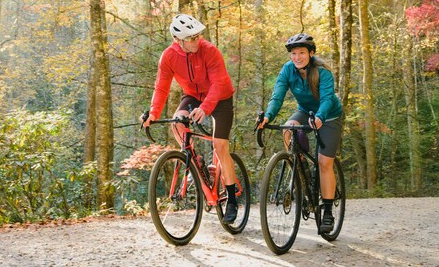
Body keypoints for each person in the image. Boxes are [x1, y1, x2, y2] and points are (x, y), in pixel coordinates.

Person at [142, 13, 239, 224]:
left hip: (220, 97)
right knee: (178, 123)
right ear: (178, 41)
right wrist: (153, 113)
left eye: (198, 36)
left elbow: (218, 84)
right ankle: (197, 163)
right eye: (191, 38)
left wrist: (205, 108)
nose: (197, 41)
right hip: (193, 96)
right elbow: (161, 87)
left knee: (221, 146)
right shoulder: (168, 56)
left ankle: (231, 199)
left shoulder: (210, 51)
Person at [257, 33, 343, 234]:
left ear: (311, 53)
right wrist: (268, 116)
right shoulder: (288, 70)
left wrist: (320, 116)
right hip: (305, 111)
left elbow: (328, 99)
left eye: (302, 53)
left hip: (329, 116)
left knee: (324, 163)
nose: (297, 57)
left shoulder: (322, 72)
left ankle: (328, 210)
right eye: (293, 54)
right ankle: (299, 165)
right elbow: (277, 96)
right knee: (288, 129)